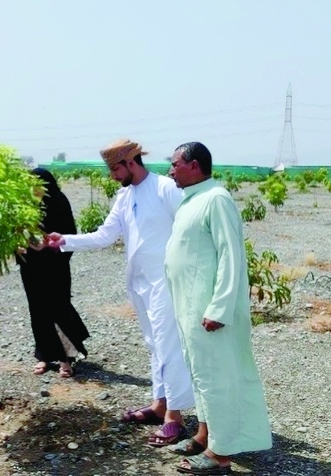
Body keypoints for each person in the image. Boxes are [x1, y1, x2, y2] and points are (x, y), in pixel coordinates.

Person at [44, 139, 195, 447]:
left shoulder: (165, 188)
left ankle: (175, 419)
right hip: (139, 283)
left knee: (169, 346)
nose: (112, 176)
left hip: (166, 281)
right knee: (154, 344)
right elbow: (104, 236)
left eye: (114, 169)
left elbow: (189, 228)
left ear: (130, 162)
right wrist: (65, 240)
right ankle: (159, 405)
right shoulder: (125, 196)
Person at [164, 142, 272, 474]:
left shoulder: (217, 199)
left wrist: (219, 308)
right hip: (190, 307)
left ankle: (220, 455)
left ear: (194, 166)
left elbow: (231, 257)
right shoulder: (193, 199)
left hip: (209, 311)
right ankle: (204, 434)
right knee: (201, 376)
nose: (170, 171)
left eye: (175, 165)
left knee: (217, 378)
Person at [16, 168, 90, 378]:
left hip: (55, 265)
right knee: (37, 310)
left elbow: (69, 234)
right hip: (30, 265)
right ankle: (44, 356)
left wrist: (49, 246)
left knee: (59, 307)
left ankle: (66, 358)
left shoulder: (59, 201)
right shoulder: (25, 204)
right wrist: (19, 246)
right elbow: (16, 231)